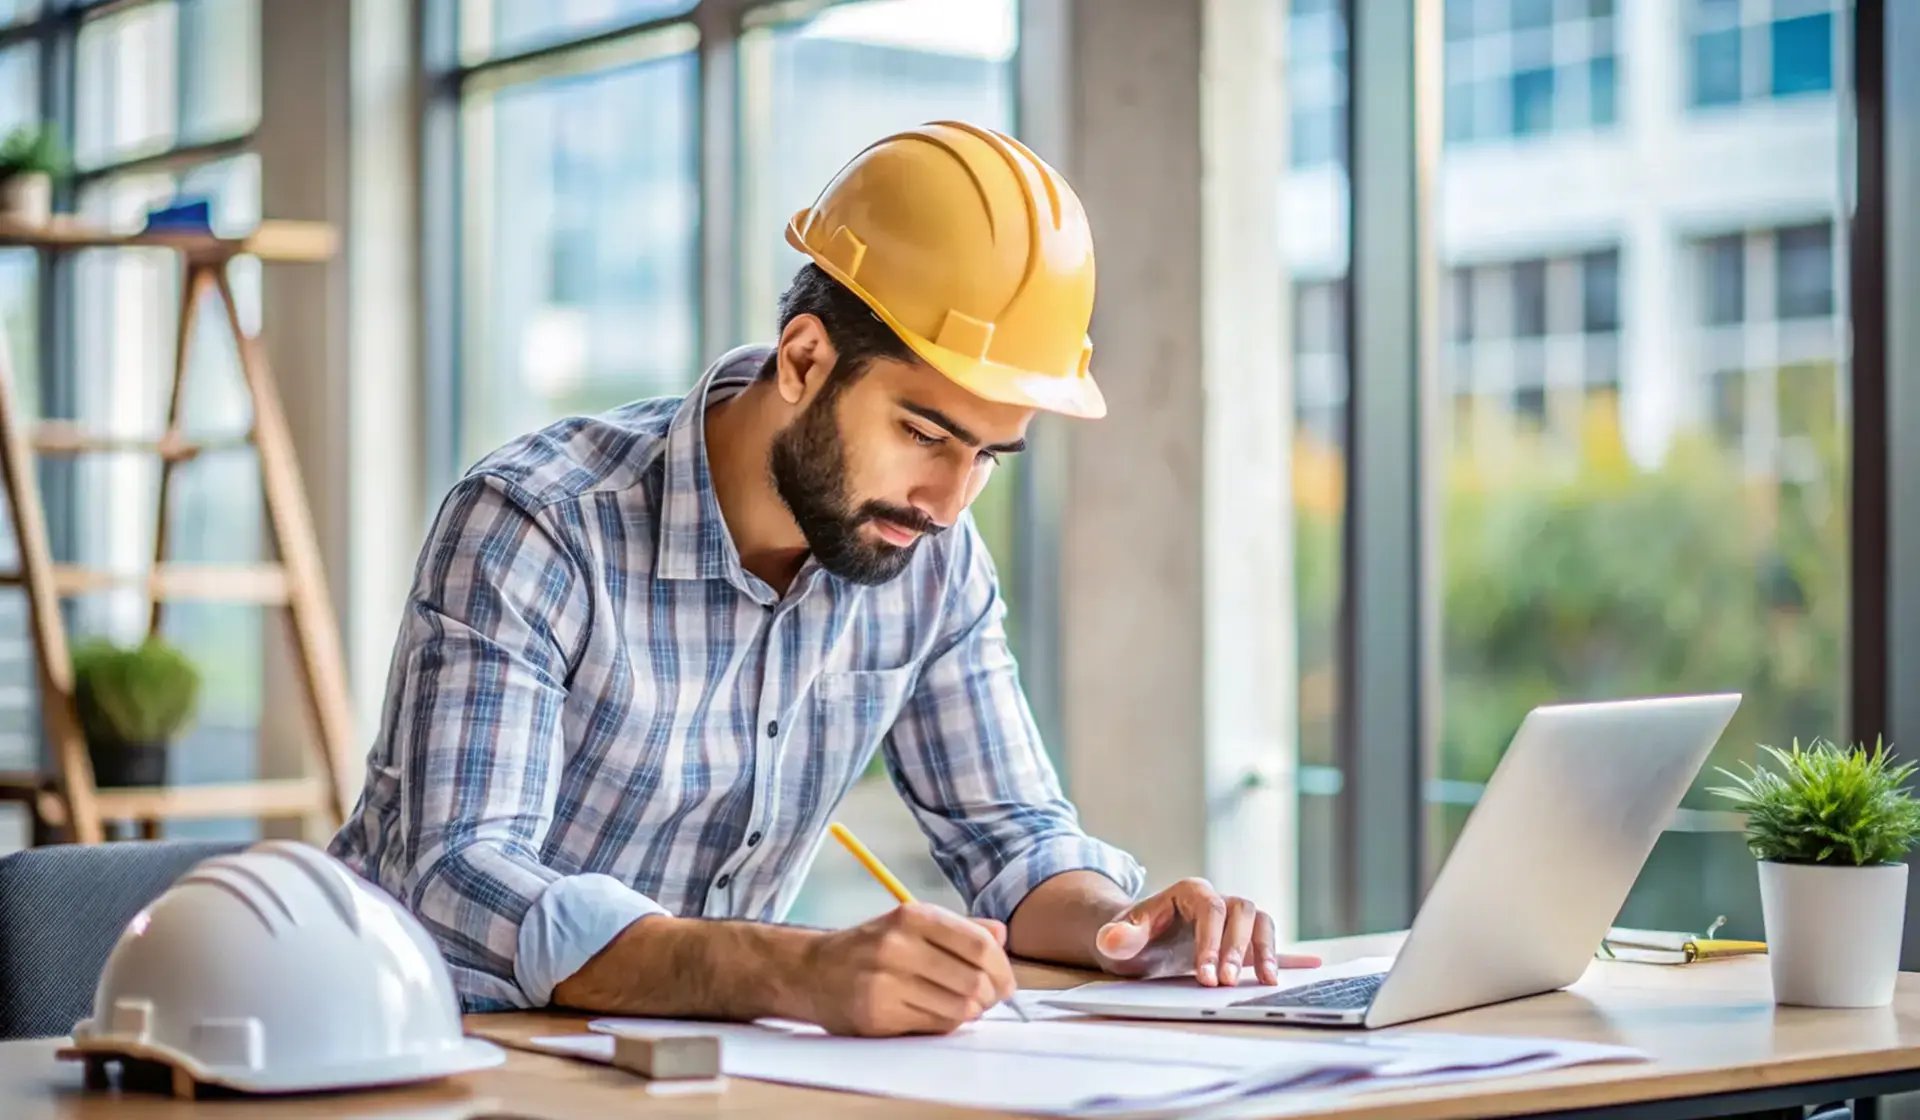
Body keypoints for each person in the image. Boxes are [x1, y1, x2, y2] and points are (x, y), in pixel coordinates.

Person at [330, 120, 1317, 1037]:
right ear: (804, 359)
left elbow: (1013, 839)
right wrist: (791, 969)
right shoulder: (540, 521)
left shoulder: (926, 554)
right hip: (410, 1044)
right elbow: (463, 879)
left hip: (702, 1065)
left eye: (986, 455)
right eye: (923, 433)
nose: (948, 501)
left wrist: (1124, 930)